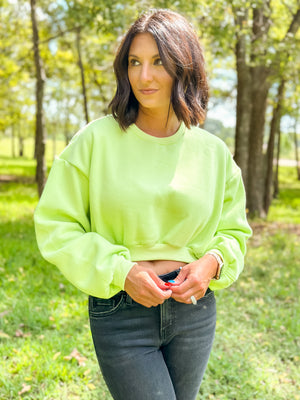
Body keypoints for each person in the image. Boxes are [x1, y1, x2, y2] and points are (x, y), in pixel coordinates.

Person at [34, 8, 252, 400]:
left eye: (158, 62)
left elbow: (234, 231)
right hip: (120, 310)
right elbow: (56, 227)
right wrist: (122, 271)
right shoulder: (94, 141)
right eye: (134, 62)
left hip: (194, 311)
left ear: (184, 68)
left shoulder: (213, 153)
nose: (143, 76)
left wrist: (213, 262)